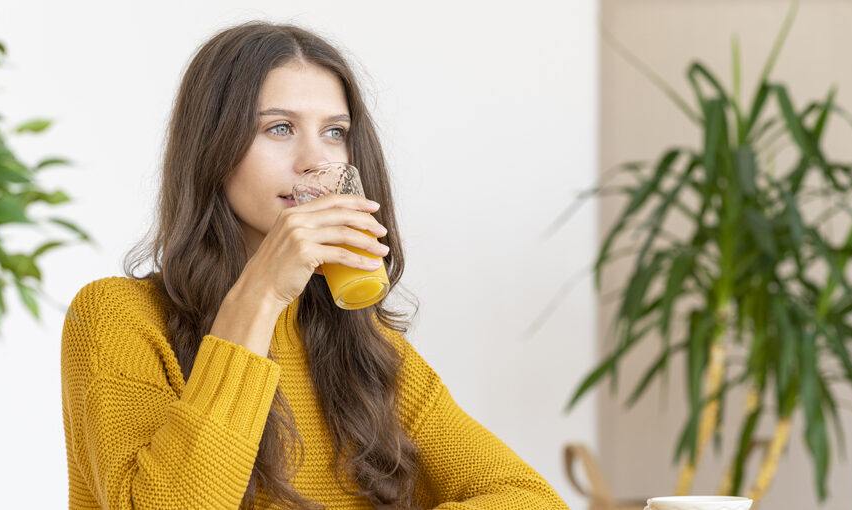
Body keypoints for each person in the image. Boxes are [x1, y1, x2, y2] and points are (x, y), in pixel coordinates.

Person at [60, 20, 570, 510]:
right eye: (279, 128)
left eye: (334, 132)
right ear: (212, 147)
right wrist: (259, 296)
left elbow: (531, 498)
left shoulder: (364, 344)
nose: (314, 161)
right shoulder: (115, 317)